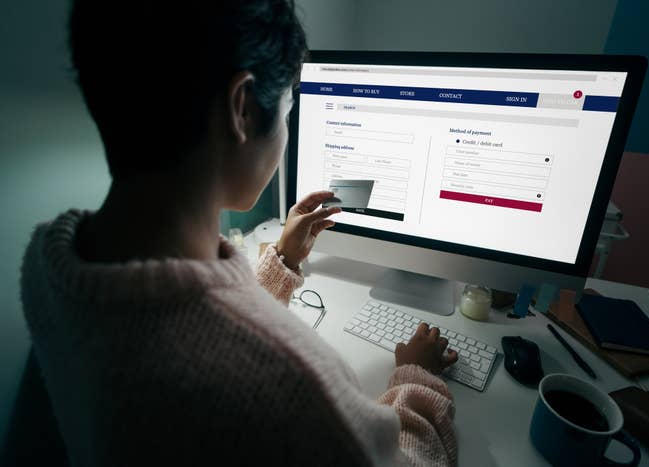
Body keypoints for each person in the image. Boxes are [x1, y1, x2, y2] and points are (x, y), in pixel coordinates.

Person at [20, 1, 459, 465]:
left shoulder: (47, 264)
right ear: (242, 108)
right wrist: (415, 378)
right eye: (288, 110)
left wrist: (282, 265)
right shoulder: (292, 382)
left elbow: (191, 339)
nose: (286, 129)